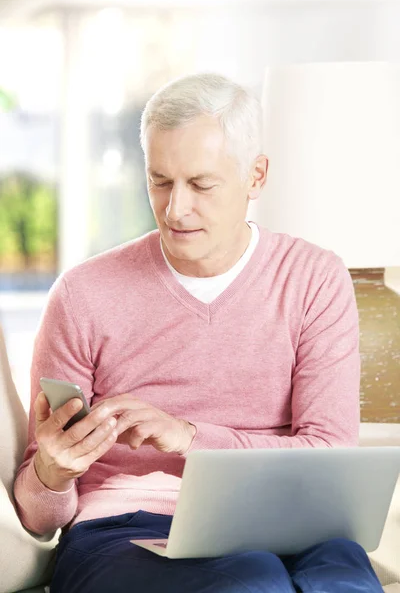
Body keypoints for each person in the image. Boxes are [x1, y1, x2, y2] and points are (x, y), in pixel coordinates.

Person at [14, 73, 383, 593]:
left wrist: (190, 437)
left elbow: (330, 454)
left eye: (201, 184)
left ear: (256, 177)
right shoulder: (82, 294)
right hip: (127, 526)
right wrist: (53, 472)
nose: (175, 208)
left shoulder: (314, 279)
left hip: (292, 522)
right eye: (160, 181)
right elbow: (36, 513)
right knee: (253, 583)